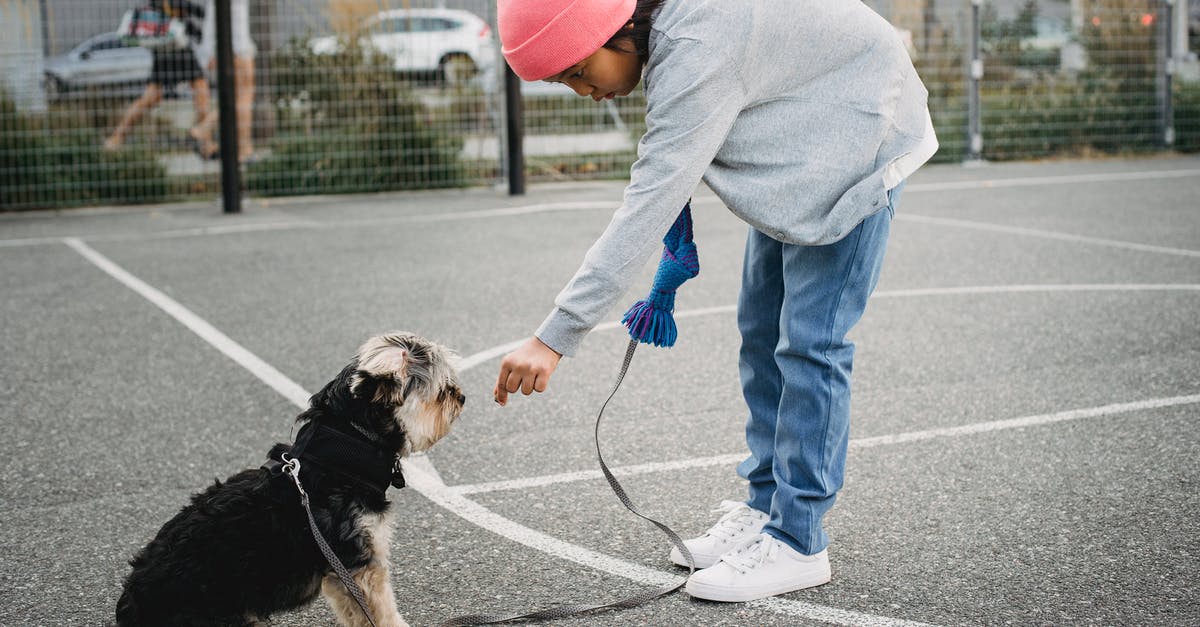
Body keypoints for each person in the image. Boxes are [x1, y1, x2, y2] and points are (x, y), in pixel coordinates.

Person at [491, 0, 938, 603]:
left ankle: (799, 540)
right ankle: (763, 509)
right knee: (760, 332)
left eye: (575, 71)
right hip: (803, 141)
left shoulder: (699, 47)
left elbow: (652, 197)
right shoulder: (672, 35)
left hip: (858, 141)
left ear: (615, 29)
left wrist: (556, 336)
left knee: (811, 346)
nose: (580, 91)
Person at [104, 0, 215, 158]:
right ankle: (205, 141)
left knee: (153, 96)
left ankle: (116, 139)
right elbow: (188, 12)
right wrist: (204, 30)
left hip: (164, 50)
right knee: (201, 93)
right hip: (177, 49)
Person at [192, 0, 257, 163]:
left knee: (236, 96)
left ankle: (206, 129)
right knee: (244, 95)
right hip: (234, 40)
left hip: (216, 40)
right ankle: (243, 149)